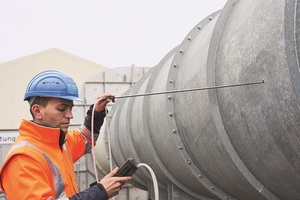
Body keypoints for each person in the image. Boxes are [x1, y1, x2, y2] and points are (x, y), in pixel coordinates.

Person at [0, 70, 131, 200]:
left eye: (70, 108)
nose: (70, 115)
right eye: (62, 109)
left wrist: (97, 112)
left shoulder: (59, 143)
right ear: (37, 111)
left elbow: (85, 137)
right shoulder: (23, 158)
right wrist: (99, 192)